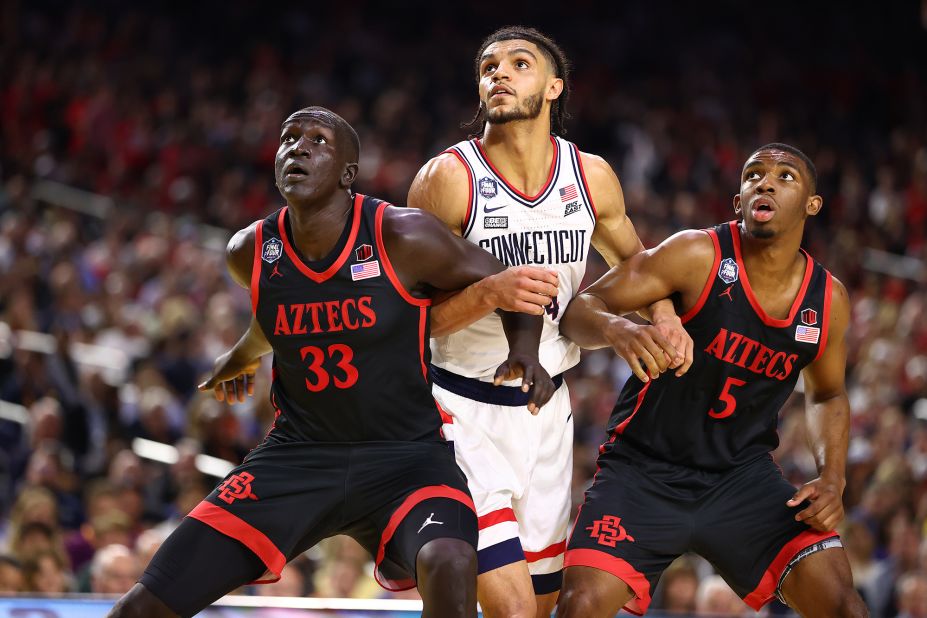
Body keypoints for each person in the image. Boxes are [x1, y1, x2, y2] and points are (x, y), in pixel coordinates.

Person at [107, 106, 555, 618]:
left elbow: (514, 280)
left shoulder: (403, 237)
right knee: (141, 607)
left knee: (449, 561)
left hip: (404, 458)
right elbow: (281, 316)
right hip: (299, 457)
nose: (297, 148)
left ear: (347, 173)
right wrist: (242, 353)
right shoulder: (250, 251)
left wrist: (525, 352)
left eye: (317, 140)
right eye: (288, 138)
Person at [407, 25, 691, 618]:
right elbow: (407, 320)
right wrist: (489, 293)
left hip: (547, 414)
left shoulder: (590, 175)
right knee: (510, 611)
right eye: (488, 67)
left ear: (555, 86)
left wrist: (663, 317)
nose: (499, 75)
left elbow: (636, 263)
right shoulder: (448, 179)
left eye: (518, 64)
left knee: (541, 608)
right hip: (460, 410)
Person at [555, 144, 868, 617]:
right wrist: (619, 331)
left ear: (811, 204)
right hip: (643, 471)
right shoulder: (695, 254)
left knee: (844, 604)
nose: (765, 182)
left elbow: (827, 393)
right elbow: (579, 311)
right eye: (753, 175)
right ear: (738, 201)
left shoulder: (828, 301)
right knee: (578, 605)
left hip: (741, 478)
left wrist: (833, 477)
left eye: (785, 177)